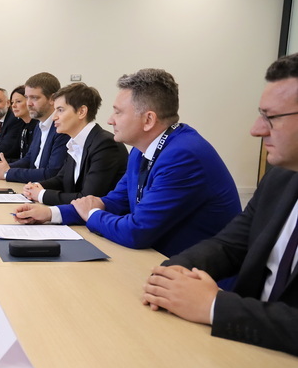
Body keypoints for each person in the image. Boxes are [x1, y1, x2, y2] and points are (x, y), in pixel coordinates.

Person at [142, 53, 298, 356]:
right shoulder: (279, 177)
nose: (256, 129)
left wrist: (214, 305)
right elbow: (229, 246)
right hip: (245, 348)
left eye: (271, 117)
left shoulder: (183, 151)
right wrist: (172, 273)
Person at [15, 68, 241, 257]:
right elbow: (115, 202)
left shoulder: (183, 156)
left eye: (118, 113)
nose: (110, 120)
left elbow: (137, 231)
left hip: (197, 277)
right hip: (157, 260)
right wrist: (52, 214)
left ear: (148, 119)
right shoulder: (141, 151)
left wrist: (91, 214)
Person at [21, 82, 128, 205]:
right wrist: (37, 186)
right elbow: (62, 179)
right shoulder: (75, 141)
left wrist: (41, 195)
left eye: (60, 110)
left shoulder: (105, 144)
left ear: (81, 111)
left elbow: (88, 198)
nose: (54, 117)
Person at [0, 72, 69, 182]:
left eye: (34, 98)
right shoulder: (39, 125)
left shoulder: (62, 129)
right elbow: (29, 159)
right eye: (27, 98)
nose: (28, 103)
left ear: (52, 99)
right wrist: (2, 167)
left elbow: (52, 174)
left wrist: (7, 173)